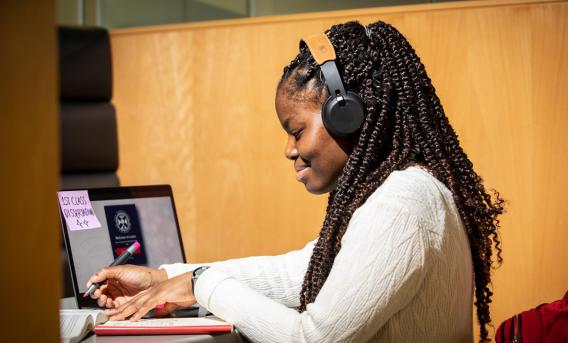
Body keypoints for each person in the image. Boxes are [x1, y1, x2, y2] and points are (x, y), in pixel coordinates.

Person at [87, 20, 504, 342]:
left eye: (297, 130)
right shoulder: (403, 191)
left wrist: (203, 285)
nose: (290, 149)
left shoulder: (400, 206)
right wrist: (167, 277)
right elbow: (297, 274)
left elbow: (312, 337)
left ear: (348, 114)